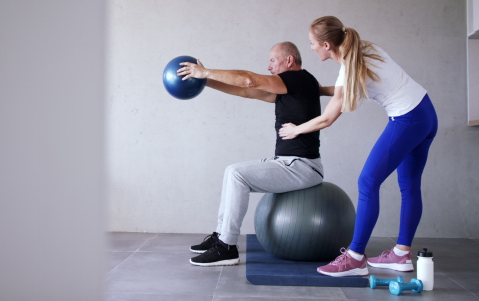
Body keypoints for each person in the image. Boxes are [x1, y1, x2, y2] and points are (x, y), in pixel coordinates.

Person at [279, 16, 438, 277]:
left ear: (327, 45)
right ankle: (400, 254)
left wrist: (296, 129)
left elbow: (328, 117)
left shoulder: (349, 67)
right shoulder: (364, 49)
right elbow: (347, 86)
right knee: (409, 185)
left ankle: (354, 258)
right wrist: (319, 90)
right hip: (426, 114)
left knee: (367, 182)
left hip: (408, 119)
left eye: (312, 44)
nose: (310, 48)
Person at [177, 42, 325, 266]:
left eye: (273, 61)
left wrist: (206, 71)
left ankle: (227, 247)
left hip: (303, 167)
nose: (269, 66)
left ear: (289, 60)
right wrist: (206, 81)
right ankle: (221, 236)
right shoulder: (290, 88)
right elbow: (246, 91)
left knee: (237, 174)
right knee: (232, 173)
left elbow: (249, 79)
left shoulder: (299, 79)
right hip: (289, 163)